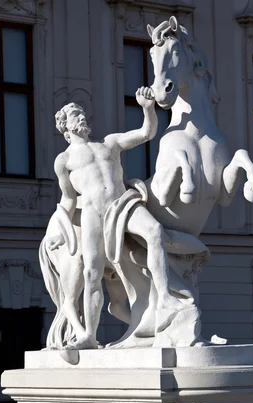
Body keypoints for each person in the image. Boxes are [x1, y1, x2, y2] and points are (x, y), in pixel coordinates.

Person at [51, 87, 182, 350]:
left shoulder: (108, 144)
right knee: (91, 273)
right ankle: (88, 335)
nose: (82, 118)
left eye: (82, 113)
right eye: (76, 115)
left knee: (155, 231)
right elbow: (67, 199)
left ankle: (165, 298)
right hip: (92, 214)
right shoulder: (64, 161)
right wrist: (61, 232)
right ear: (65, 126)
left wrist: (147, 108)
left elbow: (146, 133)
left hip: (121, 203)